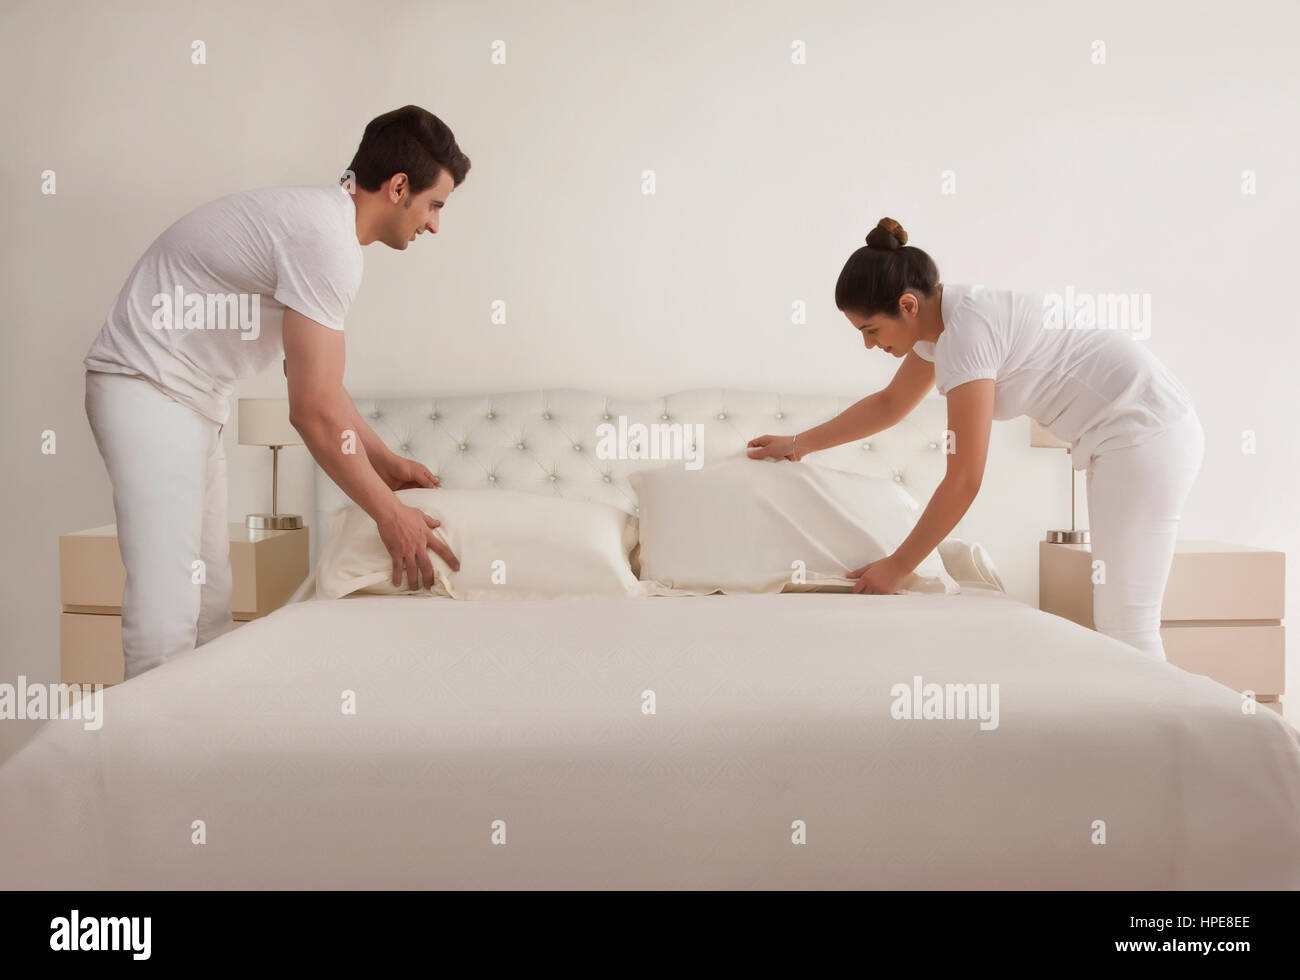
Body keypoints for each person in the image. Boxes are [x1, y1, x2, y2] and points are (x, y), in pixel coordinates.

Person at [83, 105, 466, 680]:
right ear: (398, 187)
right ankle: (148, 763)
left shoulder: (323, 229)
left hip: (187, 399)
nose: (435, 224)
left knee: (211, 601)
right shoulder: (326, 243)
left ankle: (201, 753)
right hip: (147, 387)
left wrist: (385, 462)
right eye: (435, 205)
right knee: (167, 608)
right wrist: (390, 515)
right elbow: (310, 412)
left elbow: (317, 385)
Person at [747, 217, 1203, 662]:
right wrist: (797, 444)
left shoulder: (967, 335)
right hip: (1129, 437)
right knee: (1122, 621)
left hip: (1145, 430)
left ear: (907, 306)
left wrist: (898, 566)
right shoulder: (943, 326)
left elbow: (964, 478)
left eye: (871, 330)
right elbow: (890, 404)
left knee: (1128, 624)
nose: (869, 345)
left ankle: (1175, 734)